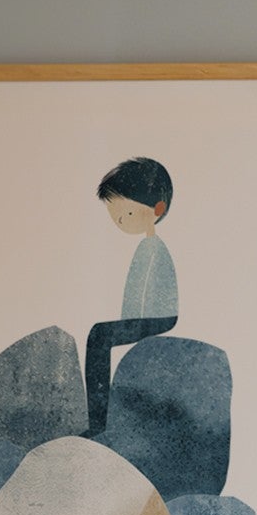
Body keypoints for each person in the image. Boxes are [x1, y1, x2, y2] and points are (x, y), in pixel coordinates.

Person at [87, 156, 178, 435]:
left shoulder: (154, 250)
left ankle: (99, 422)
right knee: (101, 335)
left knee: (99, 337)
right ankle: (98, 420)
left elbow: (146, 297)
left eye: (126, 214)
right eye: (116, 216)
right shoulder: (146, 248)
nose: (120, 222)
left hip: (158, 317)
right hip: (146, 316)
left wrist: (130, 326)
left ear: (157, 209)